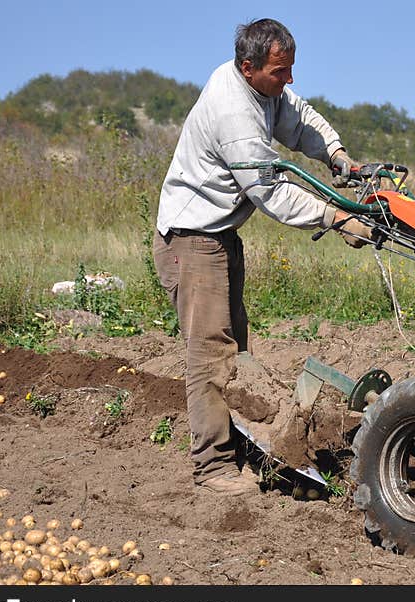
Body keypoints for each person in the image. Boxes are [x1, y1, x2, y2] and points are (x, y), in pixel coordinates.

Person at [153, 18, 372, 496]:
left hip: (219, 235)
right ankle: (212, 467)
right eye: (280, 71)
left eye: (291, 69)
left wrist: (339, 157)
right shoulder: (233, 111)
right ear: (248, 66)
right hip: (192, 241)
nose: (288, 79)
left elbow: (300, 118)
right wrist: (335, 218)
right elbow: (270, 192)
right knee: (211, 354)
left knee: (237, 350)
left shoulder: (266, 89)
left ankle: (246, 446)